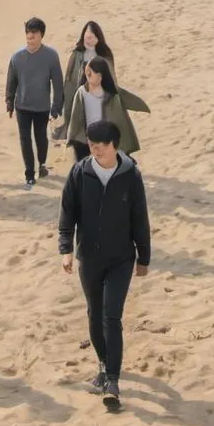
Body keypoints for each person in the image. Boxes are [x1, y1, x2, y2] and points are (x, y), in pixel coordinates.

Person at [59, 119, 151, 409]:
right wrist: (66, 250)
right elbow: (67, 214)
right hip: (89, 257)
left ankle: (113, 379)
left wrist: (143, 257)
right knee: (94, 314)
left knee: (112, 316)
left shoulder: (130, 175)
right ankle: (102, 364)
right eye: (91, 145)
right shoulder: (79, 172)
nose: (94, 150)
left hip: (121, 258)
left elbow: (140, 219)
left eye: (99, 146)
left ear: (114, 146)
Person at [6, 17, 64, 189]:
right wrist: (9, 101)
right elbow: (11, 81)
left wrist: (56, 107)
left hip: (42, 106)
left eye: (34, 32)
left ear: (41, 34)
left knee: (40, 138)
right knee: (25, 139)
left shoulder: (51, 56)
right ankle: (29, 173)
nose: (30, 36)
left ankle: (41, 164)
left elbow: (58, 83)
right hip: (22, 105)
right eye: (28, 32)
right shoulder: (17, 57)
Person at [64, 56, 143, 161]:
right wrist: (72, 137)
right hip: (86, 140)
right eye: (86, 72)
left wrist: (143, 106)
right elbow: (75, 117)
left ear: (100, 76)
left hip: (105, 139)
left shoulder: (113, 95)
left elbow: (128, 105)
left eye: (90, 73)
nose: (87, 75)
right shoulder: (82, 92)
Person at [55, 21, 116, 140]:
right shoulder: (77, 54)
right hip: (79, 94)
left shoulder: (105, 56)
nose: (88, 41)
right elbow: (69, 78)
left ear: (98, 38)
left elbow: (111, 78)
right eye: (86, 37)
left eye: (91, 38)